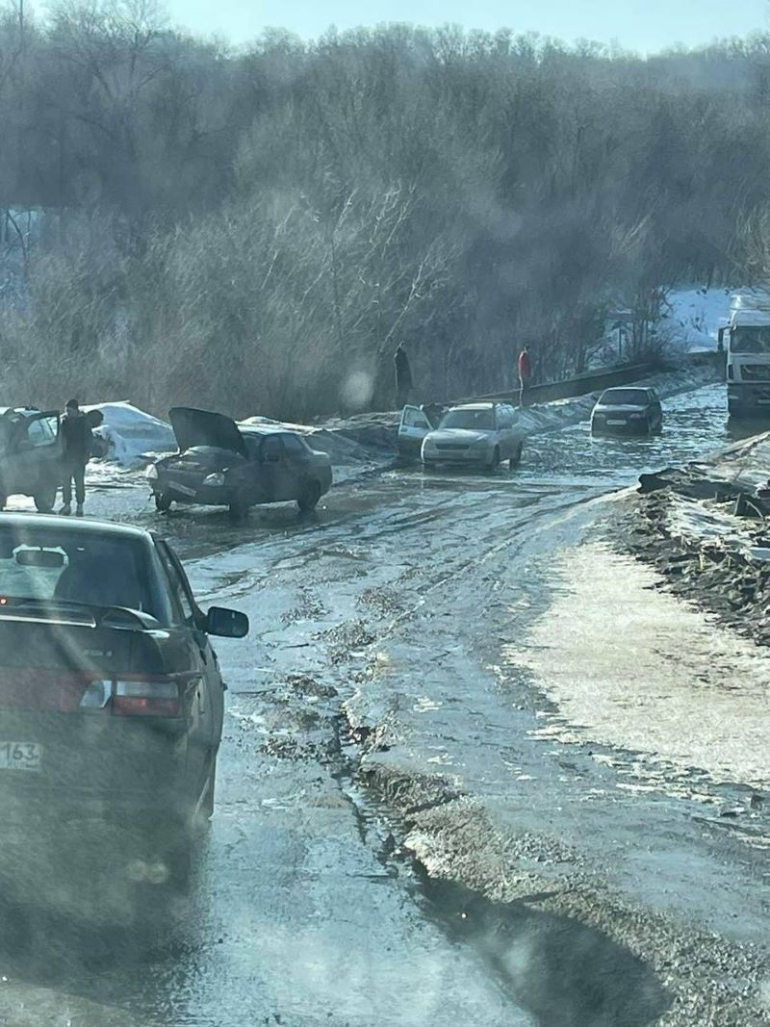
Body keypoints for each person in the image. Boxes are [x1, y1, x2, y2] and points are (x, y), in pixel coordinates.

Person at [59, 399, 94, 517]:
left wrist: (86, 455)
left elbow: (88, 439)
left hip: (79, 457)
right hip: (66, 457)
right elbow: (60, 439)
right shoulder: (64, 422)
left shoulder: (83, 422)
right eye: (66, 410)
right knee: (66, 483)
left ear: (75, 410)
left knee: (79, 483)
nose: (68, 413)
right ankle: (67, 505)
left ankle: (80, 506)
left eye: (69, 410)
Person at [394, 343, 413, 408]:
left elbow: (407, 369)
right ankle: (400, 406)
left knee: (405, 393)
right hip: (401, 378)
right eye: (403, 346)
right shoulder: (398, 355)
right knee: (401, 393)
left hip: (406, 378)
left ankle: (403, 406)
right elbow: (400, 368)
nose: (405, 348)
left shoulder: (404, 355)